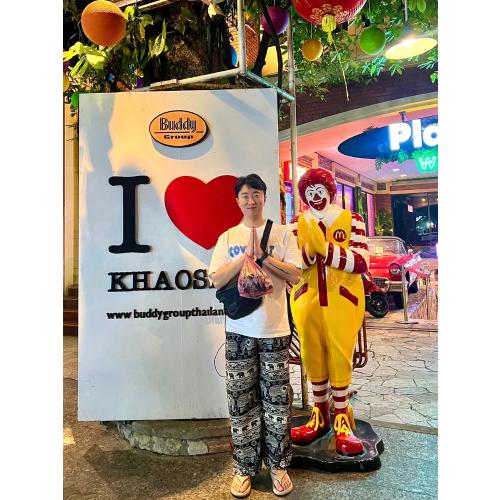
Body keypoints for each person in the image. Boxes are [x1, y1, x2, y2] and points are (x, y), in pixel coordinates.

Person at [209, 174, 301, 497]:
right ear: (237, 200)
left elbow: (296, 275)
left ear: (265, 197)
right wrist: (243, 258)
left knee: (277, 403)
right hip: (239, 331)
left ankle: (278, 466)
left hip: (275, 329)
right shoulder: (227, 237)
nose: (251, 200)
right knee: (241, 402)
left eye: (256, 194)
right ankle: (244, 468)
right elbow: (216, 279)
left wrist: (263, 256)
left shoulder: (283, 234)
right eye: (245, 195)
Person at [289, 168, 369, 455]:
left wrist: (326, 250)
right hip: (307, 299)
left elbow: (361, 261)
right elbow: (292, 264)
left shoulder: (352, 219)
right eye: (309, 193)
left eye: (320, 191)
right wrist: (310, 253)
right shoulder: (296, 224)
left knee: (340, 355)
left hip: (343, 299)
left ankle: (342, 419)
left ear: (331, 192)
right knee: (312, 355)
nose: (315, 197)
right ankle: (319, 415)